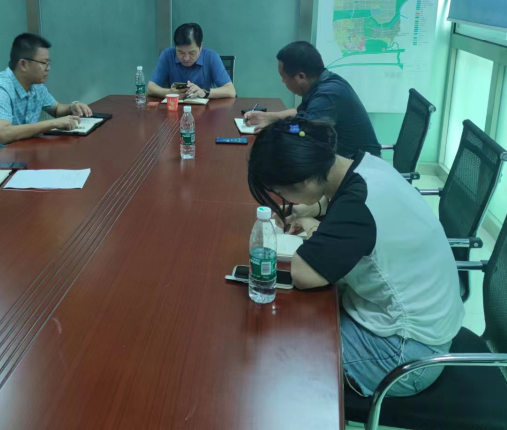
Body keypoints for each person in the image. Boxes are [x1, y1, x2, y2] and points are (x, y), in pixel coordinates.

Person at [247, 117, 463, 398]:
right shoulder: (367, 166)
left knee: (281, 353)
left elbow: (303, 274)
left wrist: (313, 227)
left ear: (304, 180)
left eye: (280, 192)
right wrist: (315, 209)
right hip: (426, 326)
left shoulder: (356, 206)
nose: (282, 198)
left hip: (406, 354)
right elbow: (342, 202)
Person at [0, 33, 92, 156]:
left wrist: (72, 107)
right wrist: (52, 123)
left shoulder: (36, 85)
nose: (48, 68)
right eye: (44, 63)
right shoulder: (0, 89)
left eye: (49, 63)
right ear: (23, 64)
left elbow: (56, 109)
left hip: (18, 152)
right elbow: (3, 134)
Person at [244, 41, 380, 158]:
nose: (283, 81)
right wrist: (269, 117)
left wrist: (274, 128)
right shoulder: (323, 82)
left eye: (283, 76)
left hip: (359, 169)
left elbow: (301, 130)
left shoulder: (328, 94)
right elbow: (301, 114)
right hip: (343, 159)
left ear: (301, 77)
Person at [146, 23, 236, 100]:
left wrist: (204, 92)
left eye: (192, 53)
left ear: (200, 47)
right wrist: (170, 92)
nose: (186, 58)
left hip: (205, 112)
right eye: (181, 52)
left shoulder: (211, 57)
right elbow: (150, 88)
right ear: (175, 47)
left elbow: (231, 91)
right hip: (175, 110)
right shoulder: (167, 55)